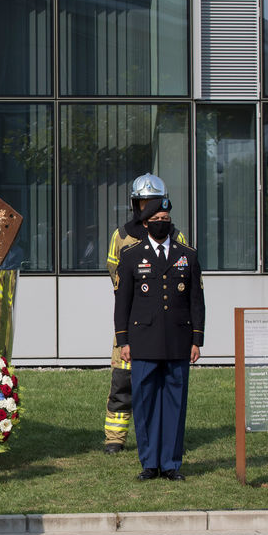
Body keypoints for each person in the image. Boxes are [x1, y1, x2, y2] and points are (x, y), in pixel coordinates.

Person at [113, 199, 205, 482]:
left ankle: (171, 463)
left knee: (175, 405)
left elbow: (196, 300)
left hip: (178, 340)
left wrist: (197, 340)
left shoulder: (186, 255)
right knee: (146, 404)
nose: (162, 222)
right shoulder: (130, 255)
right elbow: (122, 303)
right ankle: (150, 463)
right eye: (157, 218)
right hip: (143, 341)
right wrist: (123, 341)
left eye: (166, 217)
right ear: (145, 223)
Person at [102, 174, 191, 455]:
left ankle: (158, 440)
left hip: (163, 325)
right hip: (132, 318)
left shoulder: (176, 237)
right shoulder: (121, 236)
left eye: (151, 202)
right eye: (141, 202)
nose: (146, 207)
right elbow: (115, 274)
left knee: (161, 381)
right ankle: (115, 437)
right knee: (122, 379)